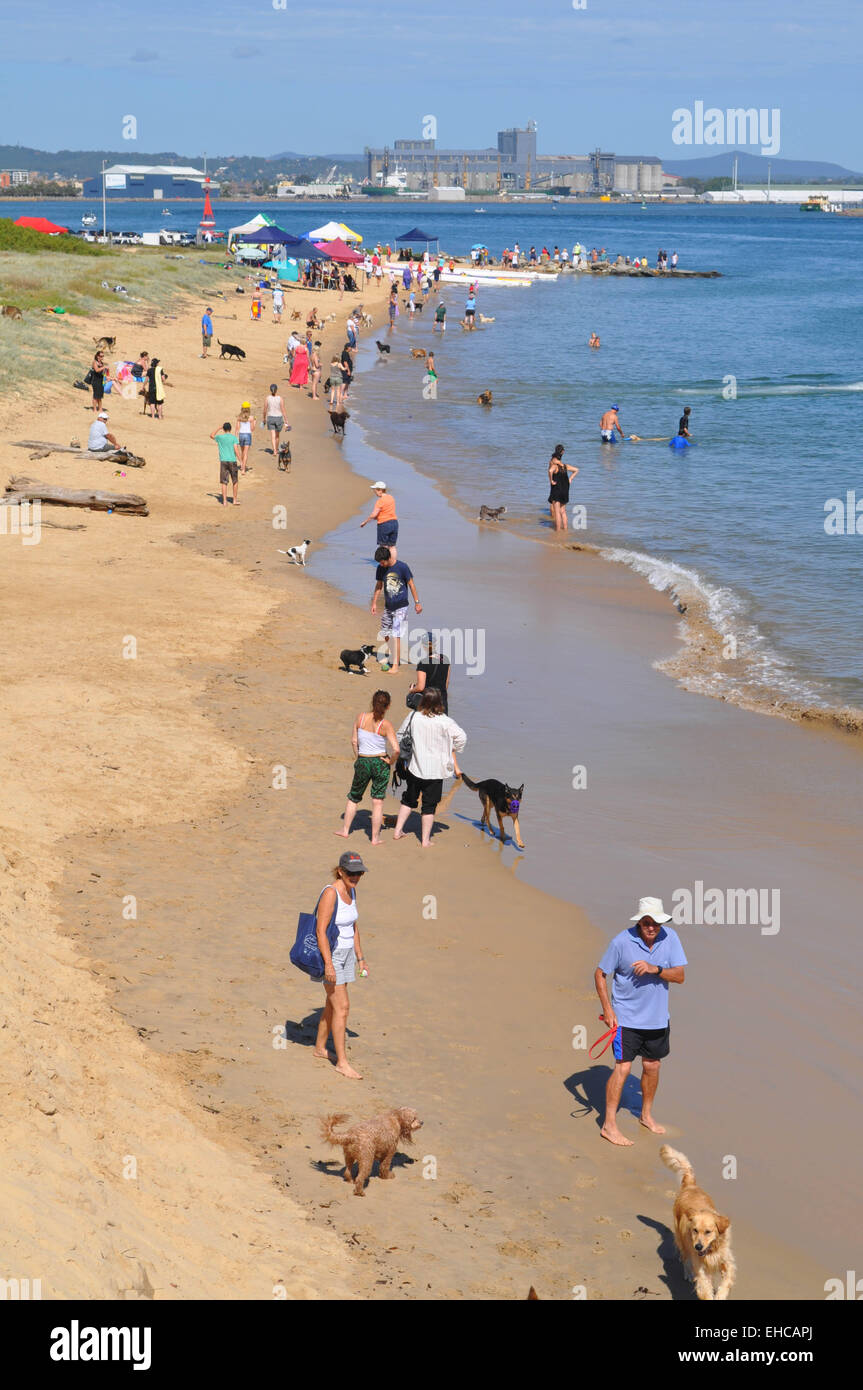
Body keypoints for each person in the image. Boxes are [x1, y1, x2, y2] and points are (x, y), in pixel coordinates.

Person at [594, 897, 687, 1146]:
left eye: (656, 923)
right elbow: (600, 973)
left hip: (657, 1020)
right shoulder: (622, 941)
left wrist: (654, 968)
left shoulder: (671, 938)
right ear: (640, 921)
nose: (652, 928)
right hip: (626, 1019)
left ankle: (646, 1115)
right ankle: (609, 1125)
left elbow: (680, 976)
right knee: (623, 1068)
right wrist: (608, 1010)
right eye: (647, 923)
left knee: (653, 1066)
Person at [312, 850, 369, 1079]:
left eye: (359, 873)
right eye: (351, 873)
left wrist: (360, 957)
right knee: (343, 1007)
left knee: (332, 1003)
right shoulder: (330, 893)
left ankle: (319, 1047)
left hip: (346, 954)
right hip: (332, 954)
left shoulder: (352, 891)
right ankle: (342, 1063)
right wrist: (328, 964)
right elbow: (320, 931)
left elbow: (353, 927)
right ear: (340, 871)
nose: (355, 877)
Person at [393, 690, 466, 848]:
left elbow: (400, 735)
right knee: (429, 806)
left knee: (408, 800)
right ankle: (425, 841)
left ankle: (397, 831)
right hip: (435, 771)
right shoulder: (446, 721)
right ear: (440, 703)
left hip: (415, 767)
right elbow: (462, 737)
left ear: (423, 701)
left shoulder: (414, 717)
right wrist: (451, 747)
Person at [336, 691, 400, 846]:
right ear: (388, 706)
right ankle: (375, 838)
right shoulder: (385, 725)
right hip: (379, 762)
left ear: (372, 702)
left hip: (364, 760)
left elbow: (353, 741)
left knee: (354, 797)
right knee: (377, 802)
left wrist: (359, 757)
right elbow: (396, 750)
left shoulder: (361, 717)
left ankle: (345, 830)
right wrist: (391, 762)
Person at [371, 545, 422, 672]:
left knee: (396, 635)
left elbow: (411, 584)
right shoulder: (380, 568)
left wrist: (417, 602)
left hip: (401, 606)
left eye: (382, 562)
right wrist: (374, 603)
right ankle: (395, 655)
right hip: (388, 606)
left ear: (388, 558)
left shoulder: (402, 567)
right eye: (379, 563)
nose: (381, 564)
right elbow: (378, 586)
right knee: (385, 632)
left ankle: (395, 666)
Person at [408, 632, 451, 714]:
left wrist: (412, 690)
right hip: (442, 701)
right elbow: (446, 684)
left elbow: (420, 687)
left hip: (428, 702)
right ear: (435, 644)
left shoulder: (423, 663)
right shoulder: (445, 659)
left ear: (423, 646)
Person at [547, 443, 578, 532]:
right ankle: (565, 530)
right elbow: (576, 470)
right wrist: (570, 478)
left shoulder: (554, 465)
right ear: (562, 453)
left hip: (557, 490)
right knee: (563, 512)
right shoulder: (565, 466)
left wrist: (551, 481)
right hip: (565, 490)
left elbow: (549, 471)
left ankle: (558, 531)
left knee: (557, 513)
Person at [360, 481, 398, 553]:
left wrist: (365, 522)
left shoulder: (380, 501)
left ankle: (384, 563)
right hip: (394, 523)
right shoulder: (391, 497)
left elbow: (374, 514)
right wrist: (377, 517)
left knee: (383, 546)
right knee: (392, 546)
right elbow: (387, 510)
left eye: (375, 490)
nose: (374, 492)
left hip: (384, 525)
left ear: (380, 490)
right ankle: (392, 562)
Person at [211, 421, 241, 507]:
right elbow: (236, 449)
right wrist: (241, 460)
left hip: (223, 461)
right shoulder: (234, 438)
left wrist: (219, 427)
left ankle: (224, 501)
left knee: (224, 482)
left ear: (224, 429)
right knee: (235, 481)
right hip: (232, 460)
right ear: (230, 429)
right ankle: (234, 500)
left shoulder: (220, 437)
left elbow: (212, 435)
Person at [264, 383, 287, 456]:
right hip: (278, 418)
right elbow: (283, 410)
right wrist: (286, 420)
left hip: (270, 417)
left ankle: (274, 450)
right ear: (276, 390)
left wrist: (264, 418)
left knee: (273, 435)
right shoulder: (280, 398)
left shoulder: (267, 398)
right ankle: (276, 449)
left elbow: (265, 409)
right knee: (277, 436)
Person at [236, 402, 255, 473]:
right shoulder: (251, 418)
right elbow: (252, 429)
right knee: (246, 452)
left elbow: (237, 428)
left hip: (241, 435)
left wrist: (235, 436)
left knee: (242, 451)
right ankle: (243, 469)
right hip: (247, 435)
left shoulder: (239, 417)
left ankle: (242, 465)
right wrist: (254, 423)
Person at [90, 350, 109, 414]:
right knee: (95, 396)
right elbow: (97, 370)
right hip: (95, 380)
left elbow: (102, 373)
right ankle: (94, 409)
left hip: (101, 380)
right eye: (101, 356)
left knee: (100, 396)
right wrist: (104, 367)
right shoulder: (94, 362)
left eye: (103, 356)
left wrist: (106, 371)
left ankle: (100, 409)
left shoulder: (101, 363)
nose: (102, 358)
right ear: (97, 356)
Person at [338, 341, 354, 407]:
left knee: (348, 382)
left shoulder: (346, 353)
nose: (351, 348)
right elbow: (345, 363)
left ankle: (345, 394)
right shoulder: (344, 353)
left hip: (347, 370)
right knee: (344, 382)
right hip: (345, 371)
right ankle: (341, 394)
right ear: (347, 347)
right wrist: (349, 371)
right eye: (350, 347)